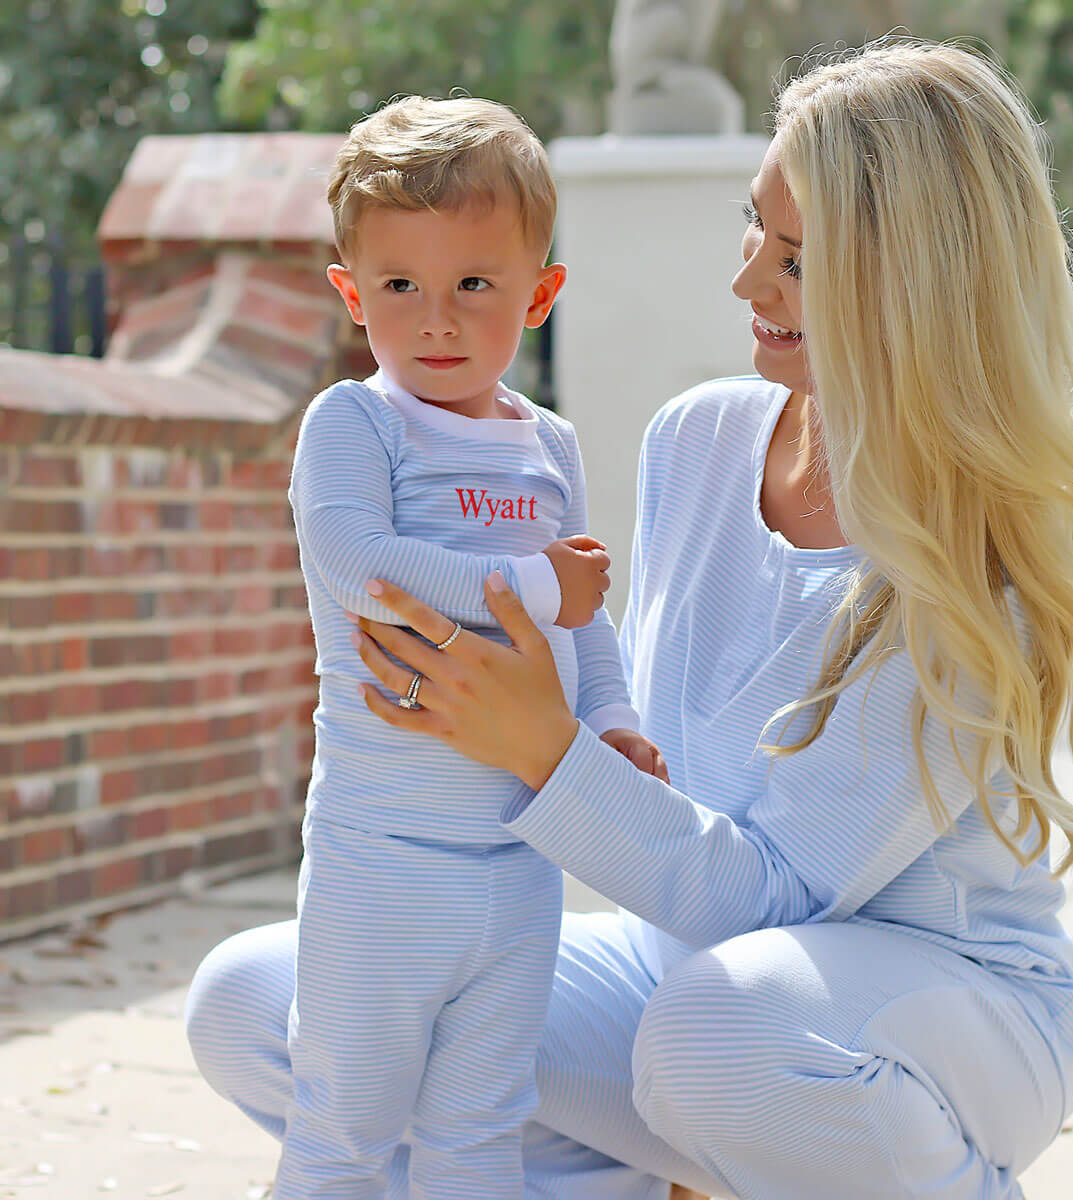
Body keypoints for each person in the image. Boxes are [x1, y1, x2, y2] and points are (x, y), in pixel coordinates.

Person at [187, 40, 1073, 1200]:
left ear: (909, 279)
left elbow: (781, 897)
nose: (748, 282)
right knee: (260, 1002)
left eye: (794, 258)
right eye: (753, 229)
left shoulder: (969, 565)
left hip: (927, 1012)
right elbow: (616, 698)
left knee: (717, 1040)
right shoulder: (698, 440)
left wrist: (543, 747)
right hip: (678, 972)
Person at [267, 95, 667, 1199]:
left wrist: (613, 720)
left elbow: (583, 617)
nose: (436, 320)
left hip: (519, 866)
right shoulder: (358, 425)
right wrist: (533, 583)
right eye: (401, 287)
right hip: (380, 861)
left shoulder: (550, 445)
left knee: (479, 1135)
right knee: (343, 1129)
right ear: (353, 293)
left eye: (474, 286)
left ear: (540, 294)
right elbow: (359, 565)